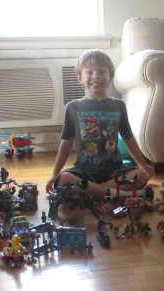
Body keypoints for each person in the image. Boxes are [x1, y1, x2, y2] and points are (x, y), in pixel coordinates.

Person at [46, 49, 154, 199]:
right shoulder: (73, 107)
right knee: (63, 180)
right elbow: (66, 142)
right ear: (79, 77)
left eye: (102, 71)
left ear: (111, 77)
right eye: (89, 72)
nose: (96, 76)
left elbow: (128, 137)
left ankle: (94, 192)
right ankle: (117, 194)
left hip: (115, 171)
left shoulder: (118, 105)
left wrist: (142, 164)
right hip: (85, 171)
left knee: (141, 175)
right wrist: (55, 173)